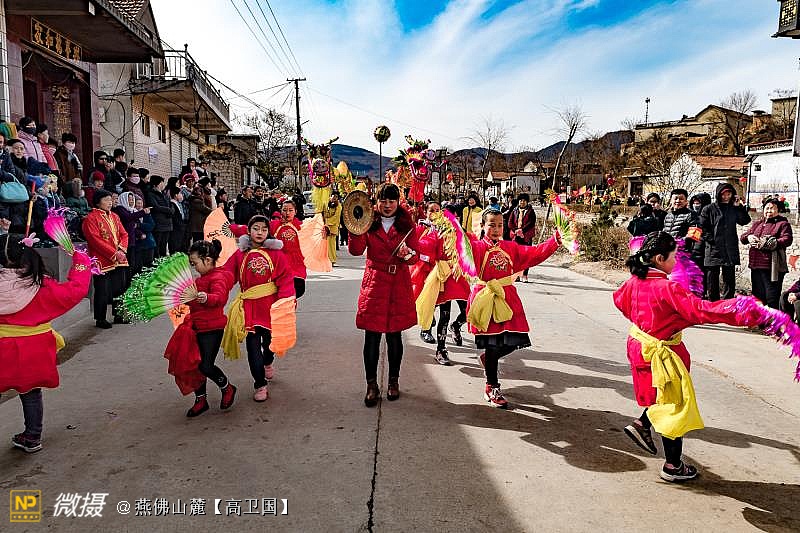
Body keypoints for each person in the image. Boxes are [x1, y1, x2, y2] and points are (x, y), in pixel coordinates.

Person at [613, 231, 762, 482]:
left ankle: (642, 424)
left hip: (640, 346)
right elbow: (701, 310)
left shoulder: (634, 281)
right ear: (659, 259)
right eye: (673, 257)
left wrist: (646, 324)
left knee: (660, 397)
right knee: (674, 406)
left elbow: (619, 300)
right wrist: (740, 308)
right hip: (662, 353)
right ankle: (672, 466)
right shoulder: (667, 288)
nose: (676, 261)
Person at [0, 234, 92, 452]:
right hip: (35, 348)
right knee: (31, 392)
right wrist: (80, 259)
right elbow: (75, 289)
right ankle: (32, 437)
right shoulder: (41, 285)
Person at [466, 208, 561, 408]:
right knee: (493, 345)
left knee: (514, 341)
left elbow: (534, 253)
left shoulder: (510, 247)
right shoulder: (476, 247)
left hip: (507, 298)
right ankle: (492, 387)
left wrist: (555, 241)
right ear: (482, 226)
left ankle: (487, 360)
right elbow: (459, 249)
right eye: (491, 225)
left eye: (500, 225)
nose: (496, 229)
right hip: (486, 299)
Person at [348, 183, 419, 406]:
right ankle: (371, 385)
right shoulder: (368, 221)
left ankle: (393, 382)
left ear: (398, 202)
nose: (387, 205)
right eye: (383, 201)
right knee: (372, 337)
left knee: (395, 336)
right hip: (375, 285)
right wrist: (355, 227)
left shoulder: (407, 224)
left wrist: (407, 254)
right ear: (376, 202)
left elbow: (416, 257)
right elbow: (356, 250)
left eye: (392, 201)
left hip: (398, 285)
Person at [222, 215, 294, 402]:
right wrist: (216, 286)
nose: (260, 232)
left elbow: (286, 278)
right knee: (252, 347)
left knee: (269, 344)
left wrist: (286, 301)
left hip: (270, 307)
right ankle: (260, 384)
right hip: (249, 307)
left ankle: (268, 362)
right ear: (249, 231)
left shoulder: (276, 255)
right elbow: (227, 274)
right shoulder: (239, 255)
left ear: (268, 232)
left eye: (264, 229)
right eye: (256, 228)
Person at [165, 240, 237, 417]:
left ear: (208, 260)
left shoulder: (219, 277)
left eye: (195, 263)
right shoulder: (199, 280)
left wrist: (207, 297)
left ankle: (227, 387)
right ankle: (201, 399)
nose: (194, 267)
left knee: (205, 365)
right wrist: (183, 298)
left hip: (212, 328)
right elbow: (195, 301)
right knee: (194, 364)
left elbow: (220, 297)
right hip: (195, 327)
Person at [415, 201, 471, 366]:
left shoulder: (461, 233)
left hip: (459, 277)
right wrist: (412, 245)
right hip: (442, 277)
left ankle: (456, 326)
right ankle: (441, 349)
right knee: (444, 315)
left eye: (451, 216)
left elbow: (473, 248)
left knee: (468, 310)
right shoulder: (434, 231)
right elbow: (425, 245)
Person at [82, 189, 129, 328]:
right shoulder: (91, 218)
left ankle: (118, 314)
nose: (110, 203)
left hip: (119, 258)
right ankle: (100, 318)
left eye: (111, 200)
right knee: (102, 289)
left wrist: (121, 249)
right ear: (98, 202)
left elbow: (124, 234)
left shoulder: (115, 216)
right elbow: (95, 240)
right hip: (101, 259)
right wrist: (114, 253)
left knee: (119, 287)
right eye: (106, 200)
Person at [699, 183, 751, 301]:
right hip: (713, 249)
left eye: (729, 194)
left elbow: (745, 221)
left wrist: (739, 207)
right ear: (718, 195)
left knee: (729, 279)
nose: (726, 197)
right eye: (723, 194)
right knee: (712, 279)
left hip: (729, 248)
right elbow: (702, 227)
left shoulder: (733, 208)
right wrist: (712, 240)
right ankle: (713, 303)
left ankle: (728, 303)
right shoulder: (709, 209)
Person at [740, 198, 792, 309]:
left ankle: (773, 319)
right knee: (758, 297)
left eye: (772, 208)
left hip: (772, 267)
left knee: (771, 297)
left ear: (778, 210)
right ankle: (760, 319)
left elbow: (787, 239)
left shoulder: (783, 224)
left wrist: (772, 242)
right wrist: (749, 237)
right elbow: (743, 237)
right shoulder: (758, 223)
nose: (769, 211)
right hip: (756, 265)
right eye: (767, 208)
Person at [270, 200, 306, 298]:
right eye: (285, 210)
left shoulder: (301, 226)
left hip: (297, 264)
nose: (287, 213)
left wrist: (325, 231)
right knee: (282, 295)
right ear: (280, 211)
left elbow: (313, 236)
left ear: (295, 212)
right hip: (280, 265)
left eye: (290, 210)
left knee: (297, 291)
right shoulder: (274, 225)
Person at [113, 192, 148, 288]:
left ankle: (130, 284)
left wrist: (139, 233)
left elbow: (134, 226)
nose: (132, 201)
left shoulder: (130, 210)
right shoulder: (120, 209)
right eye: (129, 199)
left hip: (132, 241)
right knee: (126, 265)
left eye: (133, 199)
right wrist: (142, 212)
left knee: (132, 264)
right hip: (124, 243)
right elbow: (128, 219)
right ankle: (125, 286)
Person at [507, 193, 537, 283]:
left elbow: (531, 223)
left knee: (526, 256)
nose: (522, 202)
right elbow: (510, 222)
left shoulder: (531, 211)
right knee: (516, 256)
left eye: (524, 201)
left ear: (527, 202)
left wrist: (522, 230)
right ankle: (517, 275)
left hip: (526, 236)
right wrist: (516, 230)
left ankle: (524, 275)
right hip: (516, 236)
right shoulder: (515, 210)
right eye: (521, 200)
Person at [145, 176, 173, 258]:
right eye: (161, 183)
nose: (162, 185)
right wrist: (168, 210)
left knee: (164, 245)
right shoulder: (150, 194)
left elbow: (170, 204)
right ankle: (156, 260)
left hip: (167, 223)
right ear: (155, 184)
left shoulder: (164, 194)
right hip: (158, 224)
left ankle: (163, 261)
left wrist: (171, 210)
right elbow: (155, 207)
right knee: (157, 244)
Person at [323, 192, 342, 265]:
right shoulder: (327, 204)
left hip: (333, 227)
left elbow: (336, 217)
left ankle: (332, 260)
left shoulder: (338, 206)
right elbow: (325, 214)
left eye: (336, 197)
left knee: (332, 244)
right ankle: (327, 259)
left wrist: (327, 221)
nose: (334, 198)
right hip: (327, 226)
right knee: (326, 244)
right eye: (333, 196)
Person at [169, 187, 188, 254]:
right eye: (180, 193)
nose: (181, 195)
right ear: (176, 195)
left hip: (180, 229)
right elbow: (175, 218)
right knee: (175, 247)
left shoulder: (178, 204)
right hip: (176, 230)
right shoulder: (172, 204)